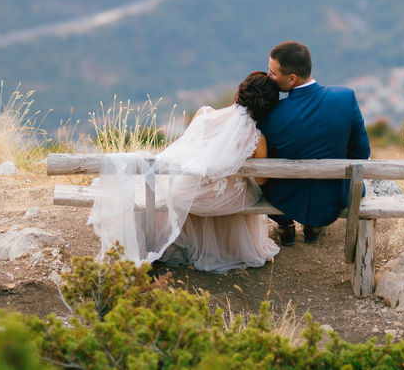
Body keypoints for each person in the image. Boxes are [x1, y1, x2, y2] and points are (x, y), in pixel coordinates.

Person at [86, 72, 281, 273]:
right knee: (245, 189)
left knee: (194, 184)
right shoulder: (257, 138)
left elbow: (187, 151)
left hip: (188, 194)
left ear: (240, 92)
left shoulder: (204, 114)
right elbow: (261, 179)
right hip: (222, 202)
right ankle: (227, 247)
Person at [257, 40, 370, 245]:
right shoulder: (346, 98)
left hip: (286, 196)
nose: (268, 76)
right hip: (335, 195)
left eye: (273, 72)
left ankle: (285, 226)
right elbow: (361, 152)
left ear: (292, 79)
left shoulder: (270, 114)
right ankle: (315, 225)